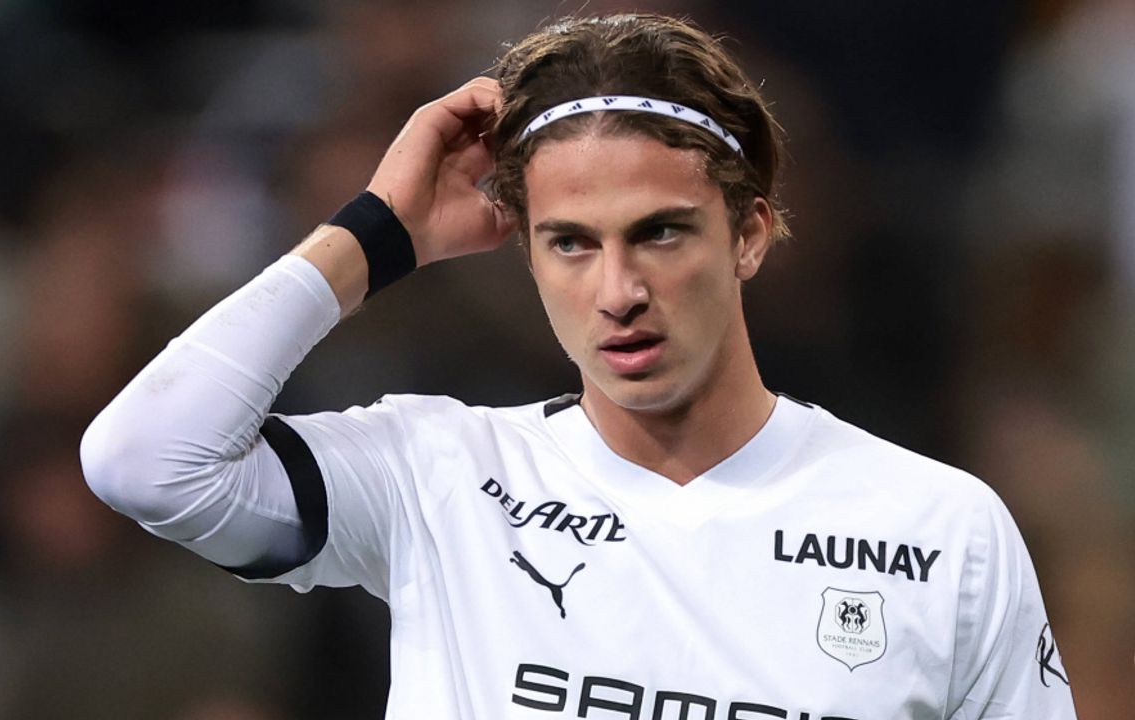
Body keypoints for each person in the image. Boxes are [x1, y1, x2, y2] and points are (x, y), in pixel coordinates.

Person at [80, 13, 1077, 719]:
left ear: (749, 235)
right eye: (569, 242)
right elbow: (143, 460)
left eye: (659, 232)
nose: (617, 290)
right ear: (523, 249)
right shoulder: (438, 475)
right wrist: (375, 234)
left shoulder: (940, 527)